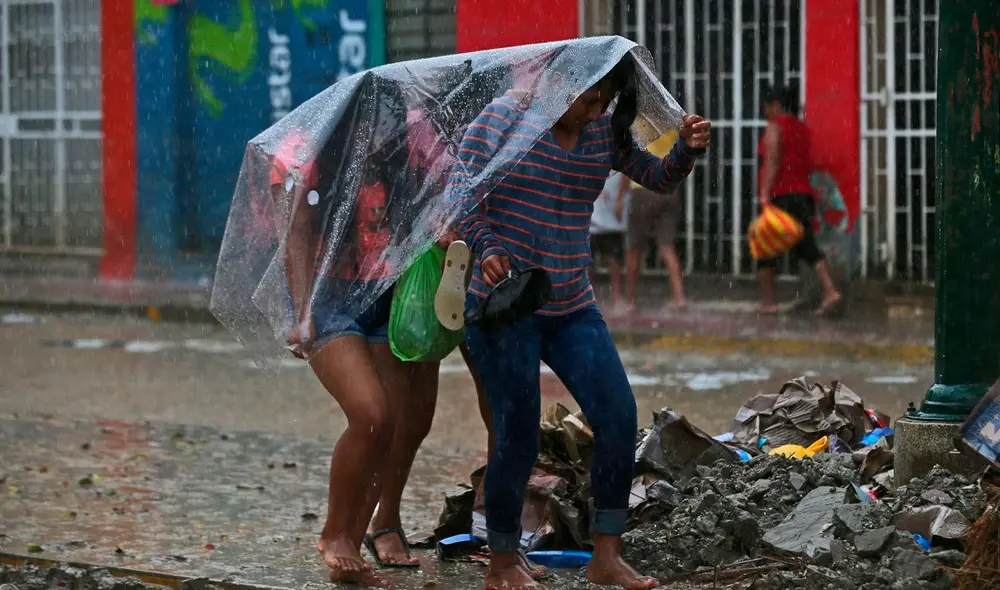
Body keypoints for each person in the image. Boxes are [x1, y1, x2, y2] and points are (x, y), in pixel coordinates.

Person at [448, 53, 711, 590]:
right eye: (589, 99)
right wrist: (487, 245)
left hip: (571, 304)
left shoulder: (603, 134)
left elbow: (657, 178)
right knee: (516, 434)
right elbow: (457, 194)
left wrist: (685, 150)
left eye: (606, 102)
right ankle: (501, 564)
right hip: (504, 307)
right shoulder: (503, 121)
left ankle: (606, 557)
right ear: (558, 84)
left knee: (617, 417)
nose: (596, 112)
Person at [757, 84, 842, 316]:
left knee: (766, 245)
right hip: (803, 195)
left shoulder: (775, 127)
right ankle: (829, 290)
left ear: (776, 105)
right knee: (805, 243)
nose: (765, 112)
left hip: (782, 194)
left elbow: (773, 161)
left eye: (767, 107)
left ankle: (769, 301)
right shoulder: (801, 129)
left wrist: (764, 193)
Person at [623, 129, 687, 312]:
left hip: (642, 187)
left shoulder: (637, 123)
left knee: (634, 248)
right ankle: (680, 297)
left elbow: (626, 161)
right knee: (667, 247)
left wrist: (620, 197)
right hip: (668, 188)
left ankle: (630, 300)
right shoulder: (673, 123)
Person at [590, 170, 629, 312]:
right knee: (588, 261)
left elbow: (625, 176)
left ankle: (616, 297)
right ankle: (590, 298)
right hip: (591, 216)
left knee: (613, 259)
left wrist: (619, 199)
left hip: (609, 216)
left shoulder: (618, 153)